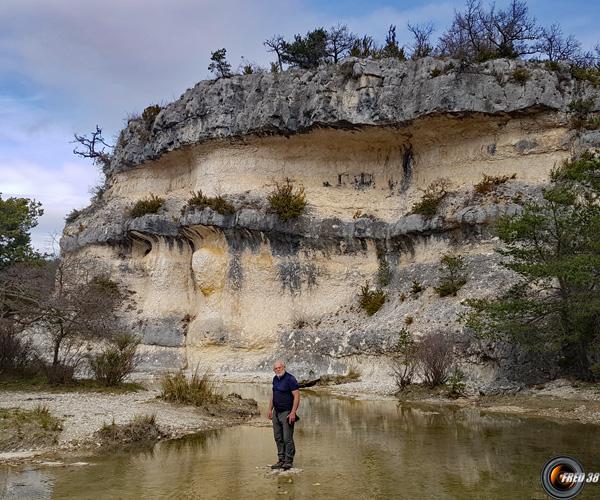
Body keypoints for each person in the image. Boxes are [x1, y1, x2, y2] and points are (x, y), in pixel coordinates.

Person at [267, 360, 300, 470]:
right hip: (276, 411)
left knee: (287, 438)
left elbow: (296, 396)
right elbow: (273, 395)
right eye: (275, 368)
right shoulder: (275, 379)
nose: (277, 370)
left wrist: (293, 412)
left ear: (284, 367)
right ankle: (281, 460)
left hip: (287, 412)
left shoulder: (290, 379)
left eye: (279, 368)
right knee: (278, 437)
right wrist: (270, 410)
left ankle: (288, 461)